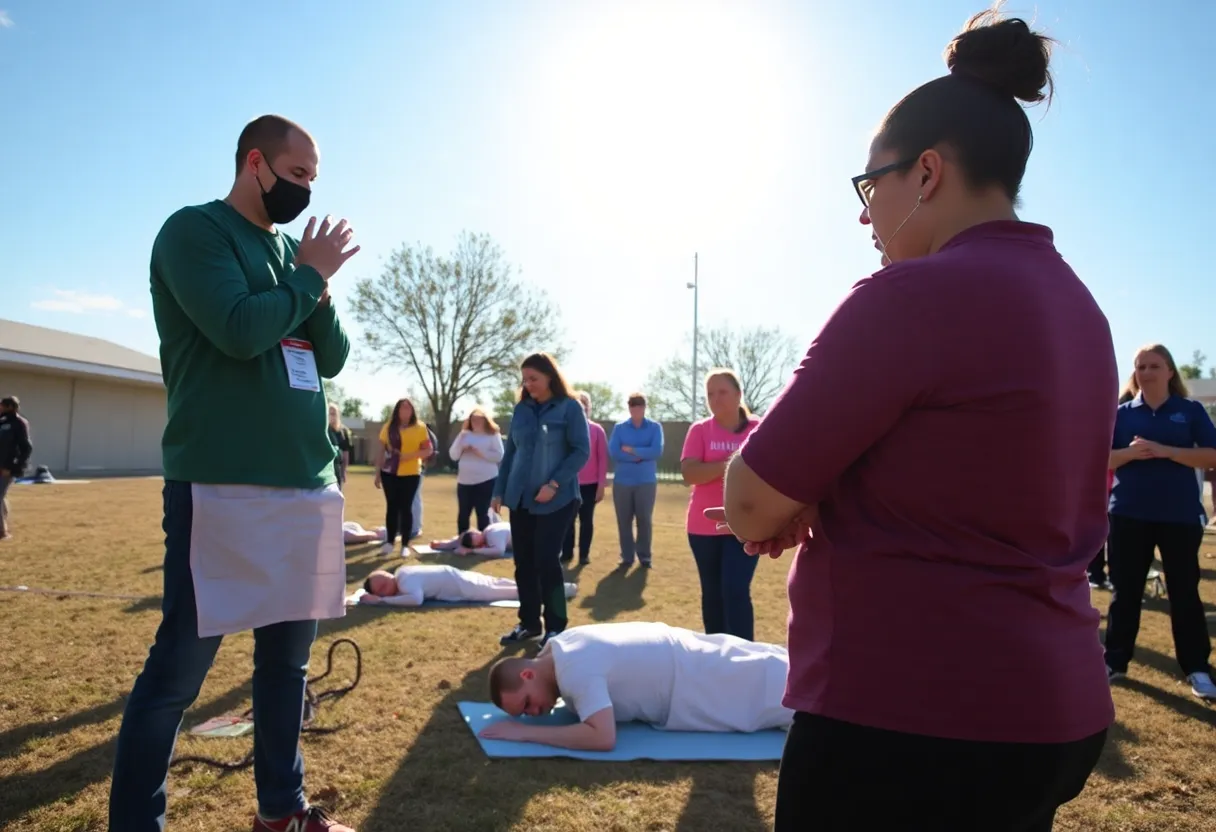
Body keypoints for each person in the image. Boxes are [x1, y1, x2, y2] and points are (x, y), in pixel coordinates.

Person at [714, 12, 1115, 830]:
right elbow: (981, 481)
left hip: (907, 719)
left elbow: (751, 501)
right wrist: (836, 500)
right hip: (1053, 708)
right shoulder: (1082, 308)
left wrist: (805, 500)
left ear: (926, 173)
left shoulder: (913, 296)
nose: (866, 215)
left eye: (872, 186)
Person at [110, 115, 358, 832]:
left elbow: (331, 357)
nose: (307, 191)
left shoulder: (291, 252)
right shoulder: (194, 232)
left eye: (315, 178)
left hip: (304, 484)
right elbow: (240, 330)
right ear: (256, 163)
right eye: (298, 174)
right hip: (220, 481)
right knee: (176, 679)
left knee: (284, 668)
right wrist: (307, 277)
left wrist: (317, 284)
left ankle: (282, 811)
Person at [480, 622, 792, 751]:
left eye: (526, 705)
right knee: (777, 665)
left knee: (793, 697)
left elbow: (603, 737)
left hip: (693, 680)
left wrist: (524, 733)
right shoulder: (558, 644)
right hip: (686, 658)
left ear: (527, 676)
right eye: (525, 715)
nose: (534, 713)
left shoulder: (574, 669)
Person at [1105, 344, 1216, 700]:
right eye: (1141, 366)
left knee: (1184, 593)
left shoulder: (1190, 411)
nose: (1147, 372)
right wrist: (1132, 453)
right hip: (1127, 515)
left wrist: (1168, 451)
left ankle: (1198, 668)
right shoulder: (1121, 415)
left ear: (1170, 371)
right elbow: (1100, 460)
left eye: (1154, 365)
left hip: (1179, 517)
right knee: (1126, 594)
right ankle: (1115, 662)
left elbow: (1211, 454)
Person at [492, 352, 590, 647]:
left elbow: (580, 451)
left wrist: (554, 483)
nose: (528, 384)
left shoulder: (569, 408)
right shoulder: (521, 409)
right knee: (524, 564)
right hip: (520, 498)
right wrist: (499, 490)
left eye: (533, 378)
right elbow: (511, 453)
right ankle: (529, 623)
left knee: (547, 561)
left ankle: (556, 628)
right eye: (524, 379)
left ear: (550, 375)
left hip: (556, 499)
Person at [681, 369, 761, 641]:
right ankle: (715, 657)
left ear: (739, 394)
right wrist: (734, 461)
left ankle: (744, 657)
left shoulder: (758, 429)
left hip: (746, 525)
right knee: (712, 593)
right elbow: (691, 473)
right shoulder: (700, 430)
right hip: (703, 526)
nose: (715, 398)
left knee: (735, 589)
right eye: (710, 394)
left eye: (722, 392)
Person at [608, 393, 664, 567]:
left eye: (640, 405)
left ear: (645, 407)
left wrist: (632, 450)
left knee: (644, 519)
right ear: (629, 407)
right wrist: (639, 456)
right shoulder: (620, 428)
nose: (636, 408)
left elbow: (656, 451)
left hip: (646, 481)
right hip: (622, 482)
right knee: (624, 520)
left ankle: (645, 556)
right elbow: (614, 452)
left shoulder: (655, 428)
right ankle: (627, 556)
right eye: (633, 405)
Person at [373, 397, 432, 555]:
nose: (405, 411)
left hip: (411, 473)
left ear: (412, 410)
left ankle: (405, 545)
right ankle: (390, 542)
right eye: (402, 408)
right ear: (397, 410)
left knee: (406, 508)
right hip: (389, 473)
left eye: (408, 408)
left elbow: (428, 450)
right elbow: (381, 451)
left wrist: (410, 456)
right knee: (392, 507)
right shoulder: (388, 427)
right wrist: (377, 473)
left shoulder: (420, 427)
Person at [359, 565, 576, 607]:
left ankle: (560, 591)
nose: (388, 585)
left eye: (385, 581)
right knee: (505, 584)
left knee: (512, 592)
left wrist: (382, 601)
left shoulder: (405, 581)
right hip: (458, 576)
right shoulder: (404, 571)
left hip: (463, 585)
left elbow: (416, 599)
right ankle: (562, 587)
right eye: (383, 588)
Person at [562, 390, 608, 566]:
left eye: (585, 405)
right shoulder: (566, 429)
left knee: (586, 520)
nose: (582, 408)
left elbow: (602, 459)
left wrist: (601, 485)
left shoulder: (597, 430)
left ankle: (584, 555)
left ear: (589, 408)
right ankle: (566, 554)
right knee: (567, 520)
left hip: (590, 485)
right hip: (569, 483)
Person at [450, 406, 505, 533]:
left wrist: (481, 453)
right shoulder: (463, 435)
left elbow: (499, 455)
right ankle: (463, 539)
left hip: (486, 480)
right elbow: (453, 455)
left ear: (486, 420)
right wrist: (462, 448)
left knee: (483, 512)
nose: (476, 422)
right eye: (473, 419)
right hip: (464, 481)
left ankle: (486, 540)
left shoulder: (493, 435)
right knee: (464, 512)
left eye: (479, 419)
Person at [0, 395, 33, 541]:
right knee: (1, 496)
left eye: (2, 405)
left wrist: (12, 466)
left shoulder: (19, 423)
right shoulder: (2, 422)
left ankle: (2, 532)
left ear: (10, 407)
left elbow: (26, 448)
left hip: (8, 467)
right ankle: (3, 522)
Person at [411, 423, 439, 540]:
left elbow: (430, 451)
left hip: (416, 468)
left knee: (414, 497)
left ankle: (415, 528)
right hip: (411, 467)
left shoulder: (423, 431)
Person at [430, 518, 513, 557]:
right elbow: (465, 538)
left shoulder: (492, 535)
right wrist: (443, 545)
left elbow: (499, 551)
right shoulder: (487, 531)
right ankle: (443, 544)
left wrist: (472, 551)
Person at [327, 402, 352, 491]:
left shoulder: (343, 431)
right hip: (326, 468)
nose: (331, 416)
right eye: (329, 413)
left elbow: (346, 452)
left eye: (334, 413)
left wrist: (344, 471)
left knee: (337, 493)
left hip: (337, 468)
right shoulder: (323, 430)